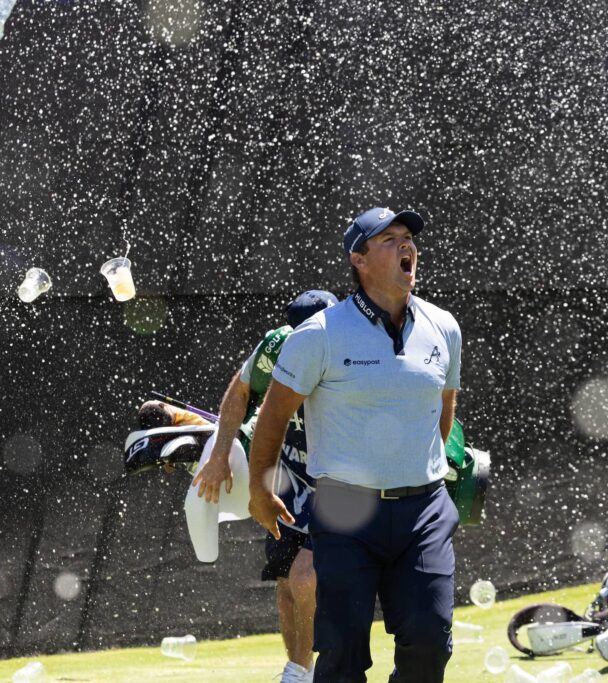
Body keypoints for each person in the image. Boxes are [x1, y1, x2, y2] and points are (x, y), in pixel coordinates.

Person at [248, 207, 462, 683]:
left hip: (423, 510)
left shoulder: (445, 327)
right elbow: (274, 415)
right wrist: (260, 490)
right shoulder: (318, 334)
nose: (406, 245)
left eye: (408, 238)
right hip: (345, 511)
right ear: (359, 259)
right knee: (341, 655)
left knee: (429, 641)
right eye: (389, 239)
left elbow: (442, 411)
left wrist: (420, 467)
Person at [189, 289, 338, 683]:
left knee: (306, 576)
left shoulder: (353, 354)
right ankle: (298, 673)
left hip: (341, 485)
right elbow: (239, 392)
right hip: (285, 481)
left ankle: (303, 671)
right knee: (287, 583)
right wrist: (221, 454)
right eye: (299, 333)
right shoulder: (276, 346)